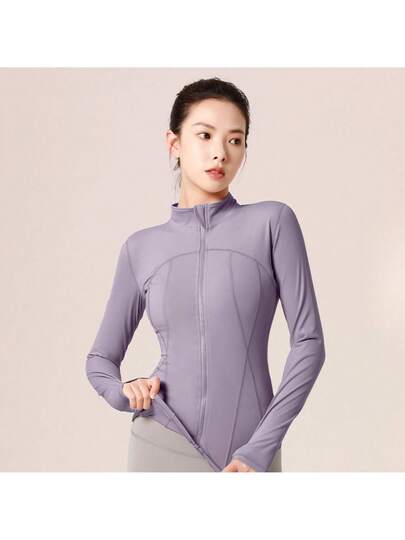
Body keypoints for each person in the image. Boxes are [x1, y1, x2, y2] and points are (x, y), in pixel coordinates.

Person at [85, 77, 326, 473]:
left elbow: (309, 343)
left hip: (251, 451)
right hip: (161, 439)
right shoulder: (140, 248)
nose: (220, 153)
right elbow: (99, 359)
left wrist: (260, 448)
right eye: (205, 135)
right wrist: (123, 391)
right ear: (174, 143)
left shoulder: (272, 223)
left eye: (235, 140)